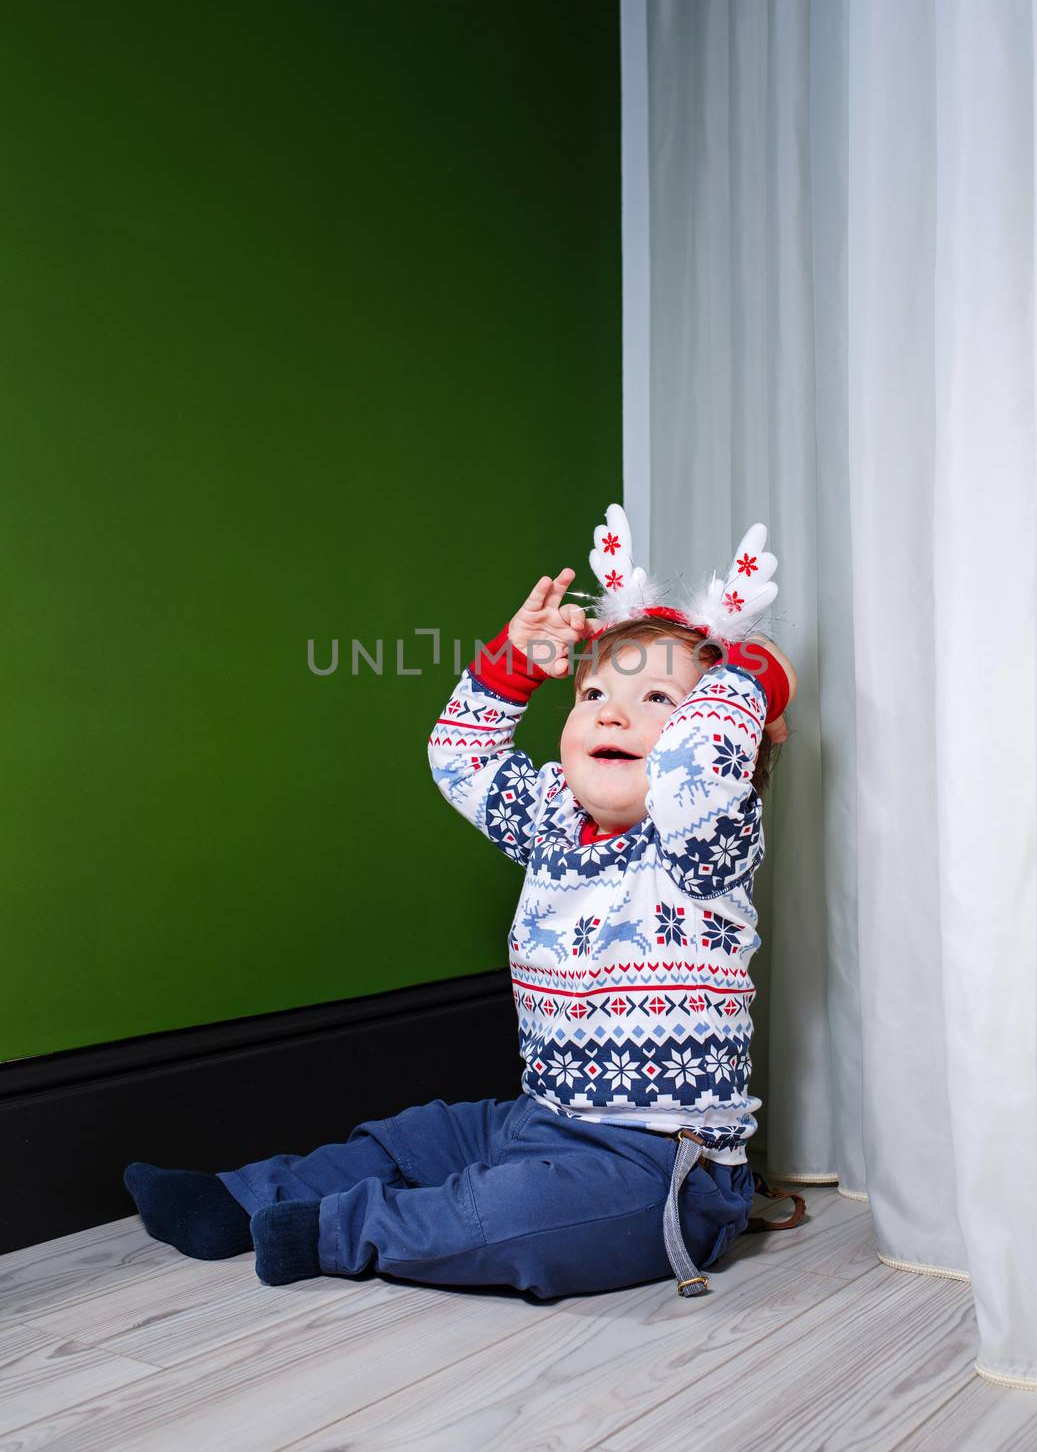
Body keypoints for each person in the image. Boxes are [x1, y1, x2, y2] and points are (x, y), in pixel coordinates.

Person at [124, 515, 796, 1299]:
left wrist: (748, 676)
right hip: (538, 1117)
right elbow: (462, 756)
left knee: (513, 1213)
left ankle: (341, 1232)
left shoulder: (702, 842)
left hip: (662, 1166)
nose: (611, 714)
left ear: (726, 737)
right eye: (593, 694)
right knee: (413, 1136)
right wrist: (516, 663)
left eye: (657, 698)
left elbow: (697, 771)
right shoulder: (553, 817)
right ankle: (239, 1200)